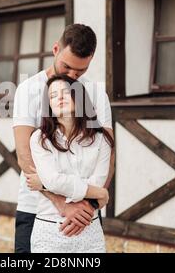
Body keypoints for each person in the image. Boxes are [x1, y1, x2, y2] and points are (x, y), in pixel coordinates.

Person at [12, 24, 114, 253]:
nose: (71, 77)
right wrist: (62, 204)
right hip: (36, 210)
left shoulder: (96, 94)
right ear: (55, 49)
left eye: (80, 72)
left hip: (86, 214)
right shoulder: (29, 89)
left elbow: (107, 154)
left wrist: (87, 206)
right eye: (66, 67)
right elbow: (24, 157)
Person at [26, 74, 114, 252]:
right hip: (51, 230)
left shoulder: (101, 139)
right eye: (52, 96)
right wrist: (100, 193)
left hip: (90, 228)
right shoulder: (39, 139)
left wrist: (44, 183)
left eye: (65, 92)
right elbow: (54, 180)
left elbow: (97, 180)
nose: (58, 98)